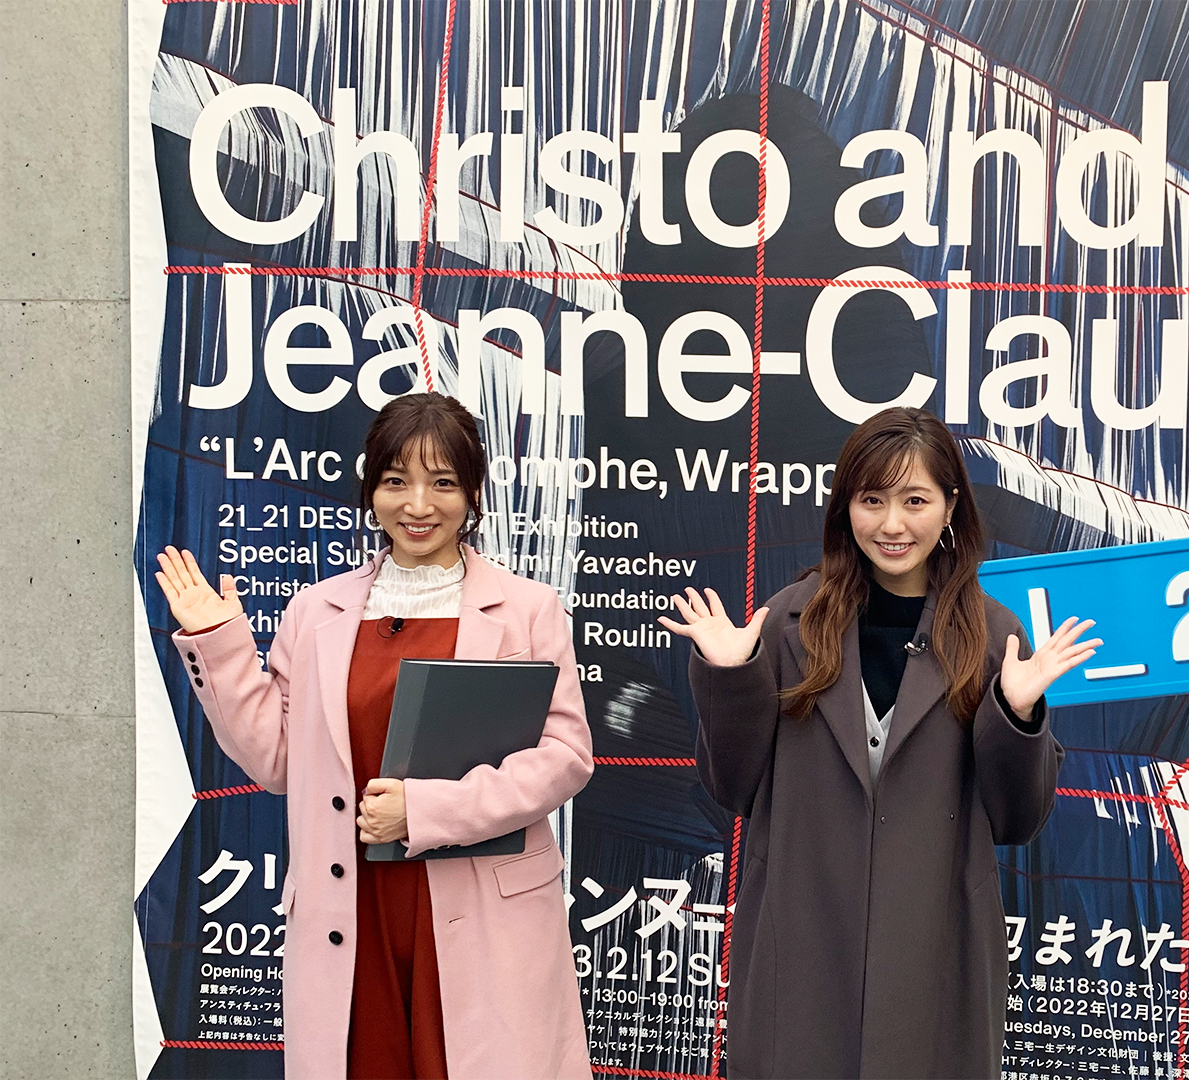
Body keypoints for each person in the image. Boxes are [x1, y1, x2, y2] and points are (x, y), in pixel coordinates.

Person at [154, 394, 593, 1080]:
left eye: (443, 483)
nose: (418, 505)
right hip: (351, 907)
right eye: (396, 481)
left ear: (472, 494)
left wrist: (424, 811)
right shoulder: (316, 611)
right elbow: (277, 761)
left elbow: (565, 758)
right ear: (371, 490)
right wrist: (219, 643)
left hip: (481, 907)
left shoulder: (528, 609)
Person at [659, 406, 1096, 1080]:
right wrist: (730, 675)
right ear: (846, 508)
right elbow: (731, 787)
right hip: (801, 943)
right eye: (872, 501)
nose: (892, 525)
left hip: (935, 949)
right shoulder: (787, 621)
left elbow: (1018, 820)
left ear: (951, 506)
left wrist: (1016, 712)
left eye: (915, 501)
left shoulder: (994, 635)